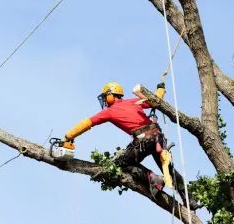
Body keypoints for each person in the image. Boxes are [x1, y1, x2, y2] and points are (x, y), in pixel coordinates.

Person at [62, 81, 196, 208]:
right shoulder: (134, 101)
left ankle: (153, 178)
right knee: (167, 167)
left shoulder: (110, 111)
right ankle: (190, 199)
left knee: (122, 163)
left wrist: (68, 136)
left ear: (110, 95)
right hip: (158, 137)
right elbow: (156, 99)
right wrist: (161, 88)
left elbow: (88, 123)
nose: (104, 101)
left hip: (144, 140)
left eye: (105, 97)